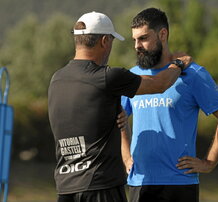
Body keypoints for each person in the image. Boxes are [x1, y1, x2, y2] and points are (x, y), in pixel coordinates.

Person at [48, 11, 192, 202]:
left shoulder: (56, 80)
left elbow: (84, 114)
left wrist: (115, 114)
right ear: (105, 41)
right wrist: (179, 64)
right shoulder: (108, 77)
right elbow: (160, 84)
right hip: (101, 186)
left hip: (66, 188)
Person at [121, 8, 218, 202]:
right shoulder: (133, 77)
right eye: (134, 40)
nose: (137, 46)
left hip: (180, 184)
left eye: (143, 38)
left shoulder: (193, 74)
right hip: (139, 182)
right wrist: (126, 155)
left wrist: (209, 162)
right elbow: (119, 117)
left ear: (163, 34)